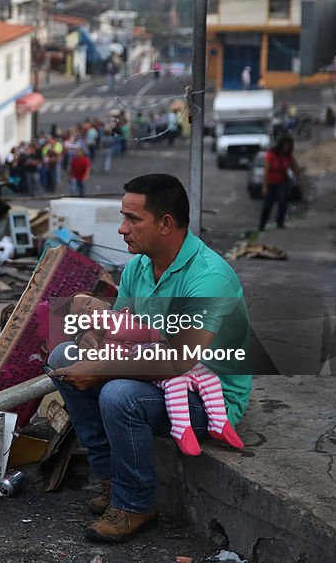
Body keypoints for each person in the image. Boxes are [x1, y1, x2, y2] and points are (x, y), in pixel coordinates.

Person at [45, 174, 252, 544]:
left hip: (206, 396)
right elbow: (123, 333)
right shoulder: (140, 266)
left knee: (119, 394)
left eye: (133, 219)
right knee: (64, 356)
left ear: (166, 223)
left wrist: (100, 368)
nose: (122, 229)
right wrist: (92, 338)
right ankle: (112, 479)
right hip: (156, 376)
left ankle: (135, 503)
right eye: (123, 218)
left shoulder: (208, 278)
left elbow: (178, 360)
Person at [259, 135, 301, 231]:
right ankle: (262, 225)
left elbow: (295, 168)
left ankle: (280, 222)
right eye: (285, 146)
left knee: (282, 201)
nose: (286, 148)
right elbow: (266, 171)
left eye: (288, 146)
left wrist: (299, 181)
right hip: (270, 181)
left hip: (282, 181)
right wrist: (264, 186)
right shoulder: (271, 155)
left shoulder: (288, 156)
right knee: (267, 205)